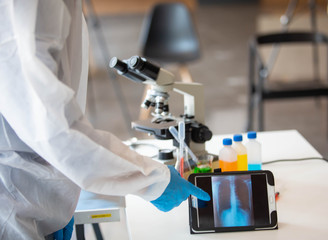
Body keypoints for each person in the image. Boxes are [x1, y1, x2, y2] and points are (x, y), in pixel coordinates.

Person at [0, 1, 210, 239]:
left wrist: (56, 202)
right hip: (16, 206)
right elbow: (52, 125)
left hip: (37, 194)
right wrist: (153, 181)